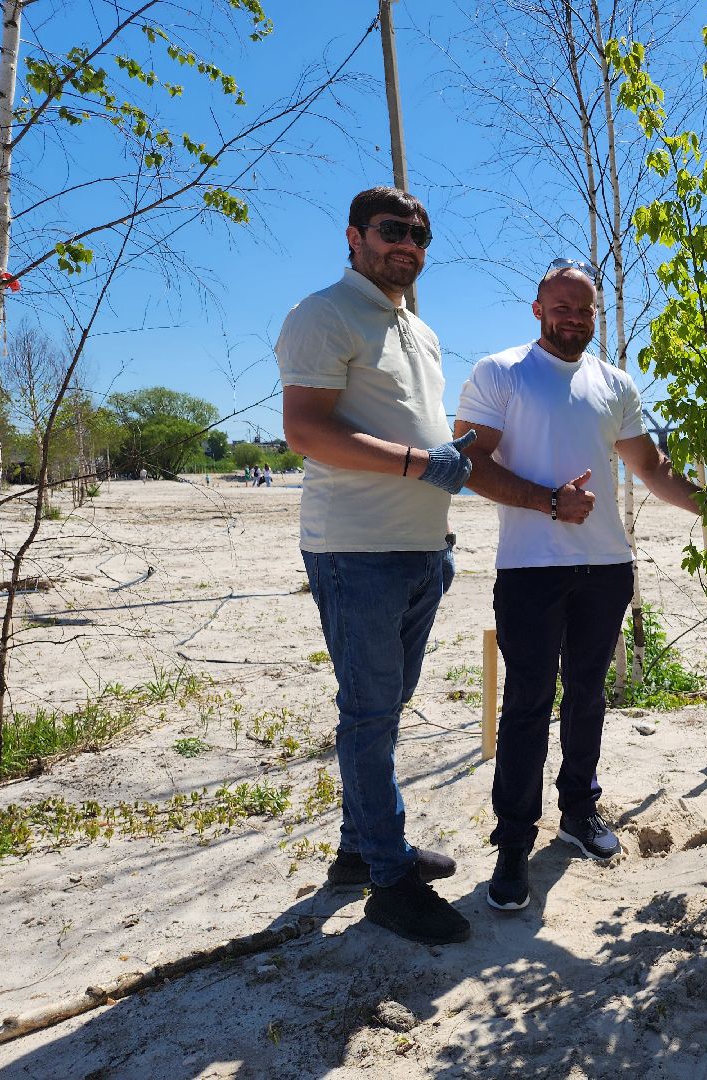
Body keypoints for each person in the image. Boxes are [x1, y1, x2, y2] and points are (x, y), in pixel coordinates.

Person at [455, 259, 707, 913]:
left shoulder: (615, 384)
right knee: (528, 704)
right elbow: (468, 462)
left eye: (584, 310)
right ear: (537, 309)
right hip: (529, 569)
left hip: (607, 568)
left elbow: (651, 467)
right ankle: (512, 845)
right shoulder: (499, 372)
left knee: (588, 696)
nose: (574, 319)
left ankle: (578, 814)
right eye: (562, 306)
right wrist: (548, 502)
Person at [276, 186, 477, 946]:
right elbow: (307, 431)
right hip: (356, 552)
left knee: (383, 716)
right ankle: (390, 886)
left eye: (422, 235)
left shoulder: (417, 330)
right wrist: (423, 463)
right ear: (354, 235)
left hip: (423, 553)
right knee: (367, 717)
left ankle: (361, 852)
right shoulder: (323, 313)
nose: (410, 246)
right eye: (393, 231)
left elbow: (428, 438)